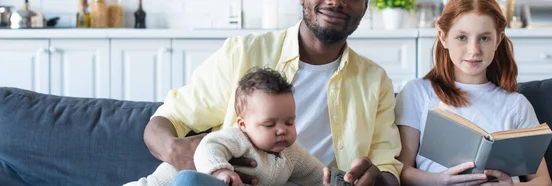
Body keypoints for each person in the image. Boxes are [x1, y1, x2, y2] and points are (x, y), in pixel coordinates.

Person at [131, 0, 403, 185]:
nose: (336, 1)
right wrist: (177, 150)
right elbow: (166, 121)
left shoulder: (375, 81)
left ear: (366, 5)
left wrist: (374, 177)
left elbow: (388, 170)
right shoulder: (243, 52)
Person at [394, 0, 552, 186]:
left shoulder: (516, 104)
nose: (474, 50)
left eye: (484, 38)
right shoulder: (418, 92)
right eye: (462, 37)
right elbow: (401, 170)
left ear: (498, 40)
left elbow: (543, 181)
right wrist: (441, 180)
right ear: (443, 37)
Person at [193, 67, 325, 186]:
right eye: (269, 124)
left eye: (289, 122)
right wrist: (221, 171)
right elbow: (208, 147)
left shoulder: (292, 153)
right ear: (243, 124)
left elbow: (318, 174)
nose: (282, 130)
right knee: (188, 179)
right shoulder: (237, 138)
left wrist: (340, 179)